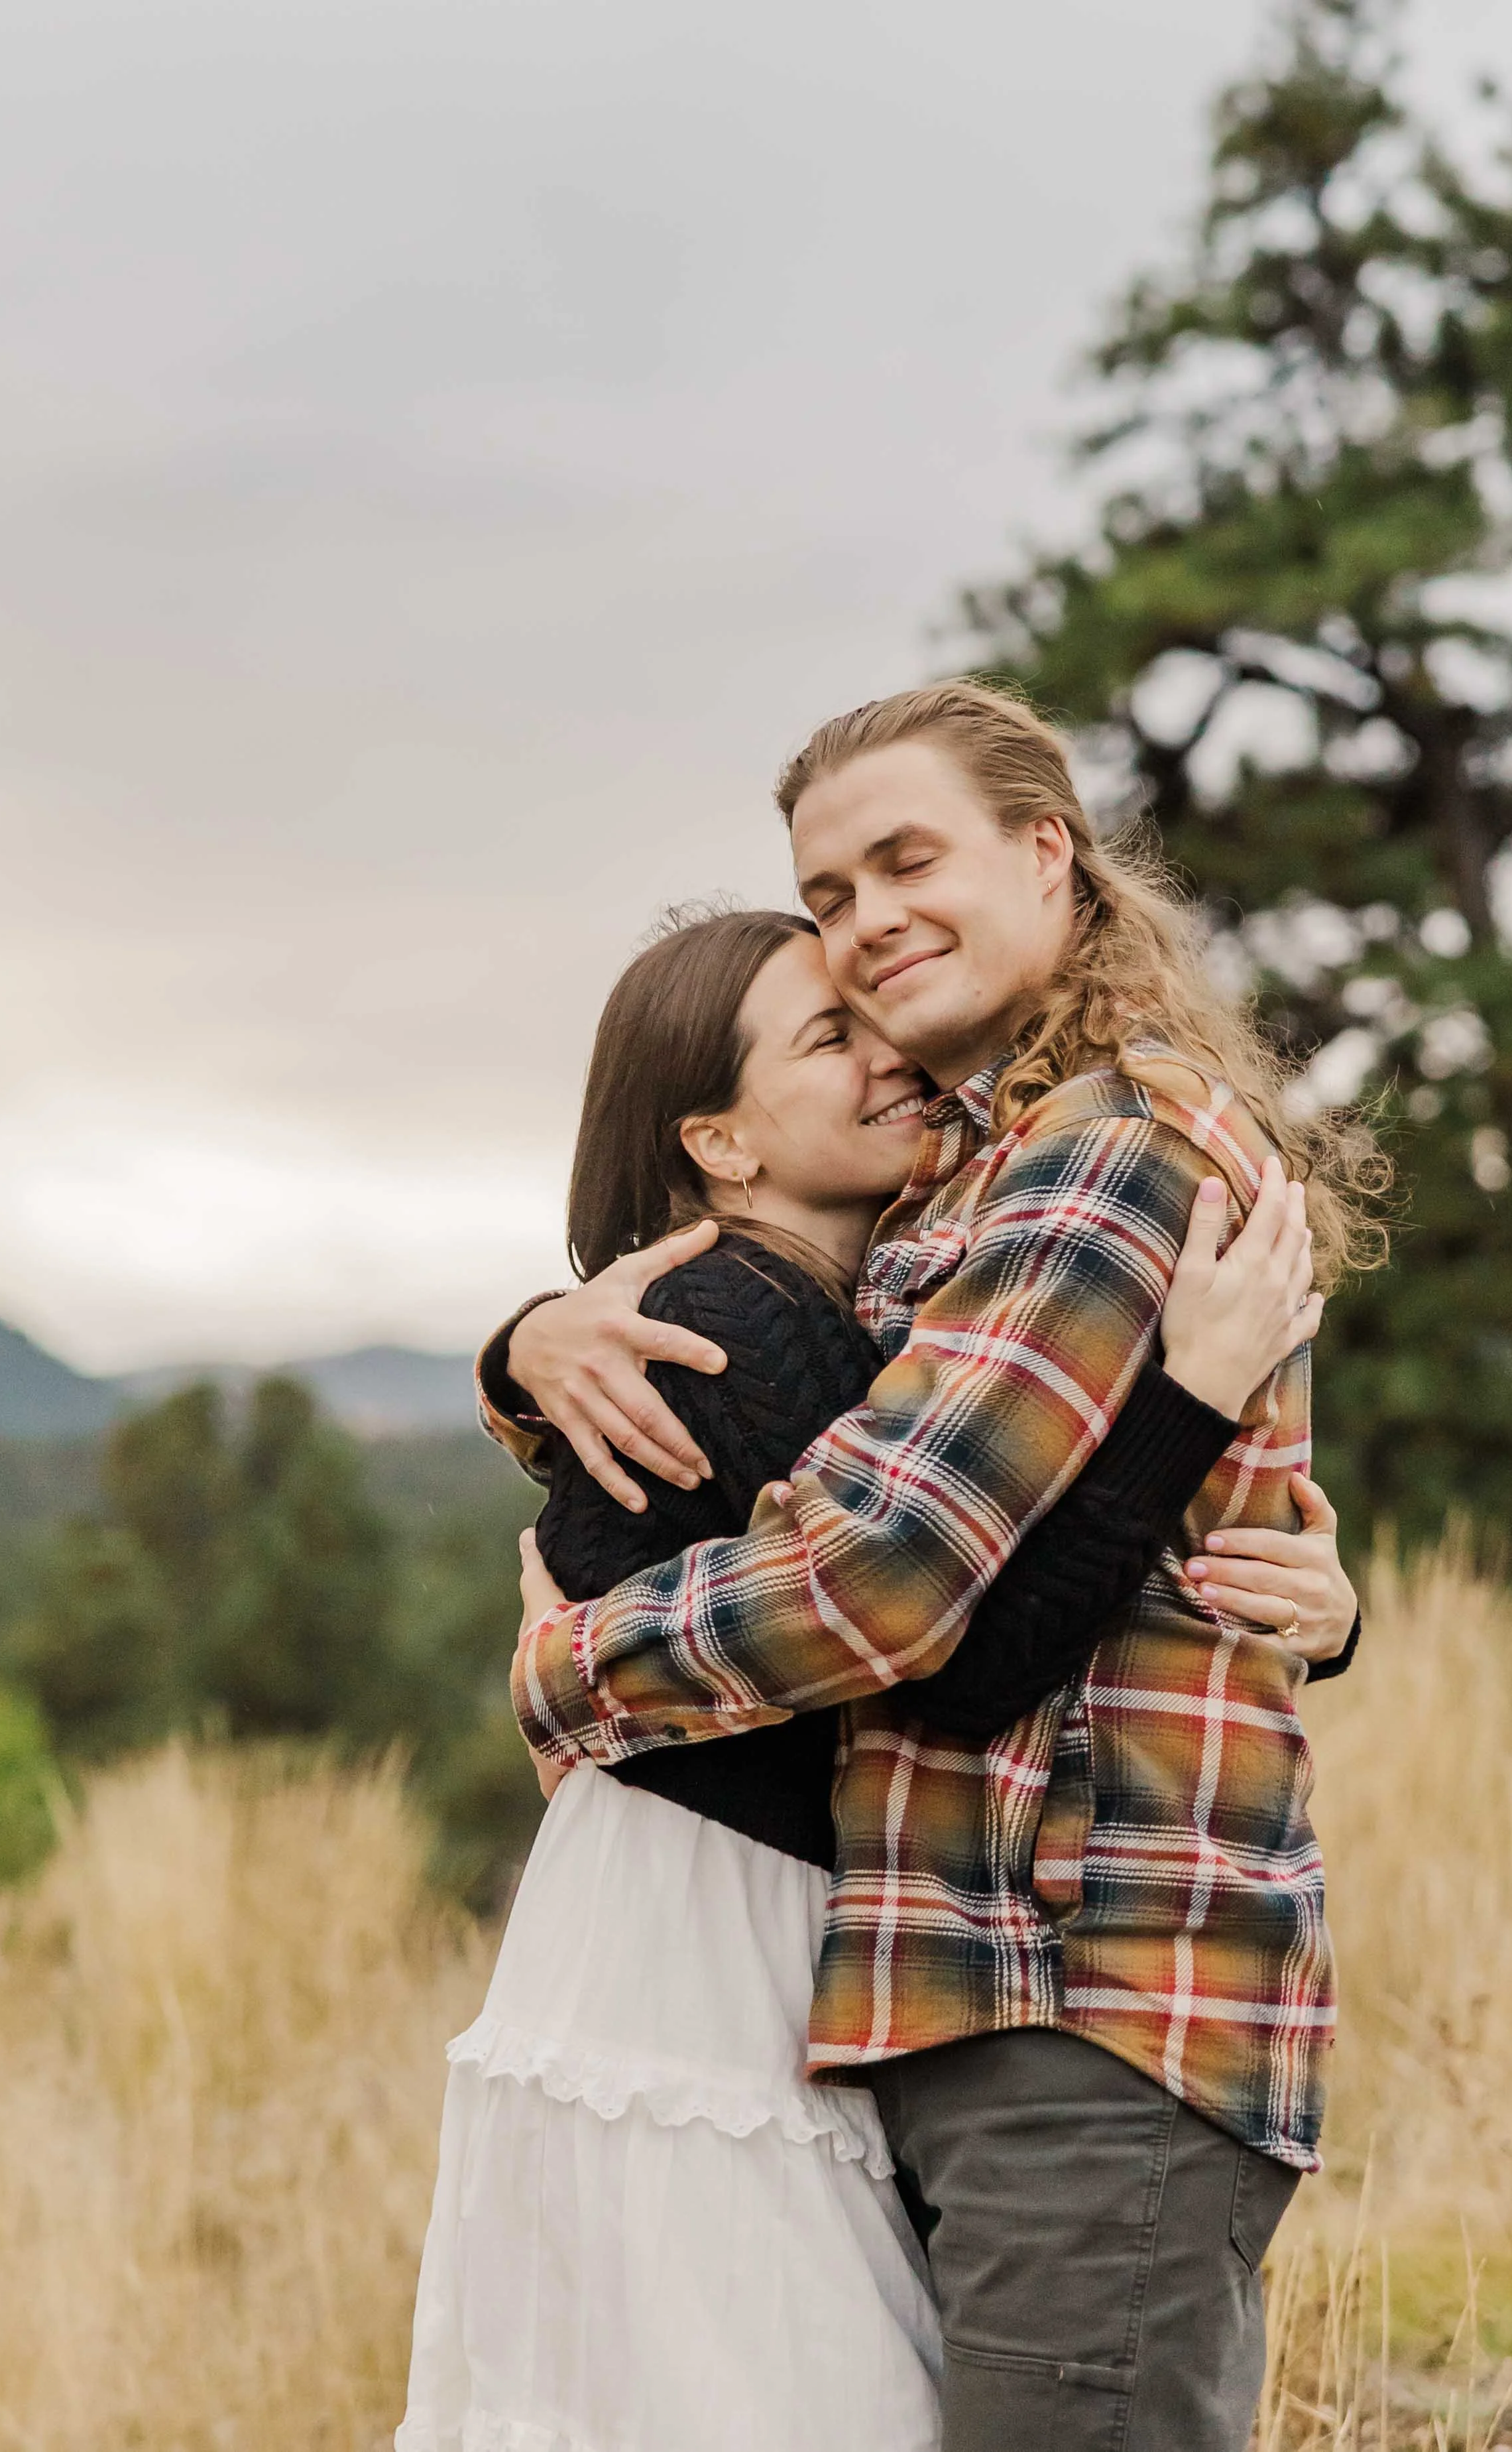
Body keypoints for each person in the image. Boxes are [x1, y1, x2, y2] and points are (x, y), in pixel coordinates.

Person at [494, 684, 1381, 2452]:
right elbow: (804, 1412)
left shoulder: (1106, 1152)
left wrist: (568, 1669)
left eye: (907, 859)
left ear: (1046, 854)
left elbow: (886, 1581)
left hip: (1090, 1997)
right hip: (984, 1999)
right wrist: (525, 1349)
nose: (865, 919)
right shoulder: (973, 1174)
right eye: (827, 895)